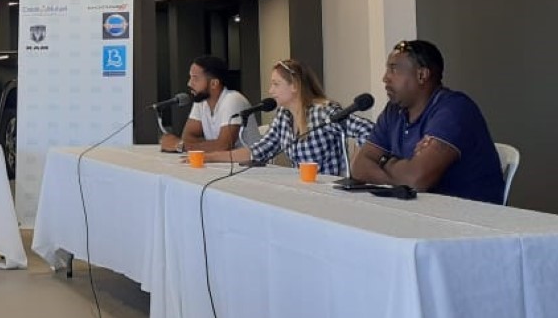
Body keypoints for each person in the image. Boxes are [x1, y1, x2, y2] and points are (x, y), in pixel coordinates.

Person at [350, 40, 505, 203]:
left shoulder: (454, 109)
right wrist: (400, 180)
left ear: (422, 75)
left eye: (394, 69)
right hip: (419, 209)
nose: (385, 78)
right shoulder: (394, 111)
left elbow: (416, 180)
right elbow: (359, 166)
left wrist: (385, 163)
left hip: (469, 214)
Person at [199, 59, 367, 177]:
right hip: (303, 190)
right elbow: (258, 152)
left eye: (276, 84)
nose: (270, 91)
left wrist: (355, 170)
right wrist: (208, 157)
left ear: (294, 86)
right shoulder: (283, 116)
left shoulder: (322, 112)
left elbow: (368, 131)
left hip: (329, 193)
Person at [158, 56, 258, 153]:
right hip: (220, 162)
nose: (189, 83)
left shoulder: (233, 99)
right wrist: (211, 145)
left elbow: (223, 146)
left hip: (250, 163)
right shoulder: (201, 101)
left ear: (214, 83)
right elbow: (188, 137)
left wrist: (180, 146)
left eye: (195, 78)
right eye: (190, 77)